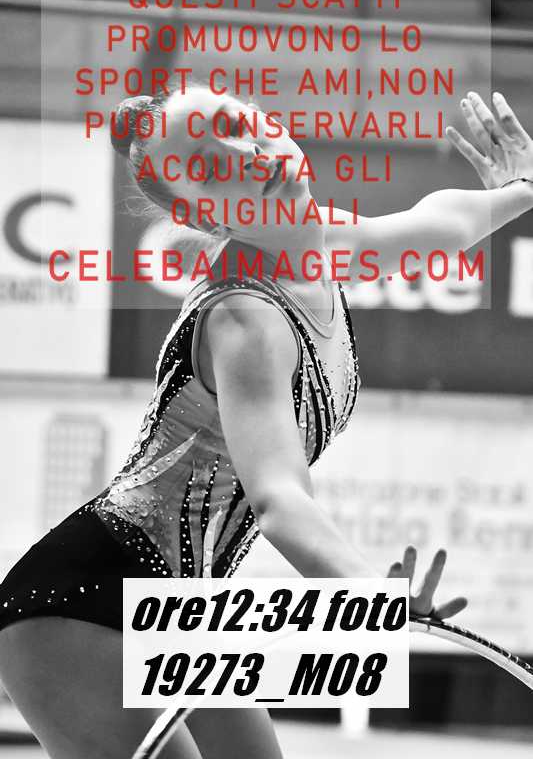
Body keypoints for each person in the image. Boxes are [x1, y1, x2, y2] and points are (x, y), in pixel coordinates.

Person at [0, 83, 531, 759]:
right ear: (200, 212)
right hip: (79, 605)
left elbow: (441, 224)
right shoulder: (246, 317)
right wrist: (368, 596)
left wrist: (520, 189)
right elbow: (279, 498)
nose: (244, 153)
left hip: (183, 608)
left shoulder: (322, 245)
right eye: (208, 163)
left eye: (238, 124)